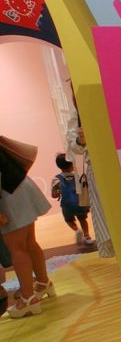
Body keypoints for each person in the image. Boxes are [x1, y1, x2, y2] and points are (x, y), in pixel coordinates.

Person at [0, 136, 54, 318]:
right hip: (20, 185)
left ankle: (28, 299)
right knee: (30, 242)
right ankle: (43, 283)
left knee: (17, 249)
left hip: (8, 194)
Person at [67, 116, 114, 257]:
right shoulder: (79, 113)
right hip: (99, 168)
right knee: (107, 220)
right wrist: (81, 140)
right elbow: (74, 146)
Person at [51, 153, 94, 246]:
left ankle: (76, 230)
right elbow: (84, 188)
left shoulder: (57, 179)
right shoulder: (77, 176)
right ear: (71, 165)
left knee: (69, 220)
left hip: (67, 205)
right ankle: (87, 236)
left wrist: (59, 192)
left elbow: (53, 195)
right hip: (80, 203)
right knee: (82, 219)